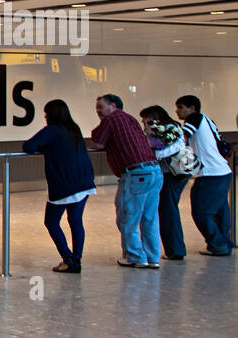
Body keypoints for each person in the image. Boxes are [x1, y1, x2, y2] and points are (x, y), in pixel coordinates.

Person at [88, 93, 162, 269]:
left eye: (100, 107)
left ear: (113, 106)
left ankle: (136, 256)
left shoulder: (111, 119)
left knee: (128, 216)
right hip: (154, 170)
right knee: (149, 217)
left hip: (136, 174)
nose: (97, 111)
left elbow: (98, 142)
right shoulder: (130, 119)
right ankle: (152, 257)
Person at [23, 100, 96, 273]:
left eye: (47, 113)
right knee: (75, 221)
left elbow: (28, 146)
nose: (45, 116)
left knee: (51, 221)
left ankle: (67, 258)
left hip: (65, 185)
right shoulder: (74, 129)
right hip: (84, 181)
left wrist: (45, 149)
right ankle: (76, 258)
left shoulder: (52, 131)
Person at [175, 95, 234, 256]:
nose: (177, 111)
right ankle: (224, 244)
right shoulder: (208, 120)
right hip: (222, 171)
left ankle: (217, 244)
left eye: (180, 107)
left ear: (192, 108)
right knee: (220, 210)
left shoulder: (194, 118)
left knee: (201, 211)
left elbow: (183, 136)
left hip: (209, 174)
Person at [139, 105, 194, 261]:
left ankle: (175, 250)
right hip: (172, 173)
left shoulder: (169, 129)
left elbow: (174, 147)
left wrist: (155, 154)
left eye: (146, 119)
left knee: (168, 211)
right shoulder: (170, 127)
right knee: (167, 210)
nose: (144, 122)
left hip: (172, 174)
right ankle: (173, 249)